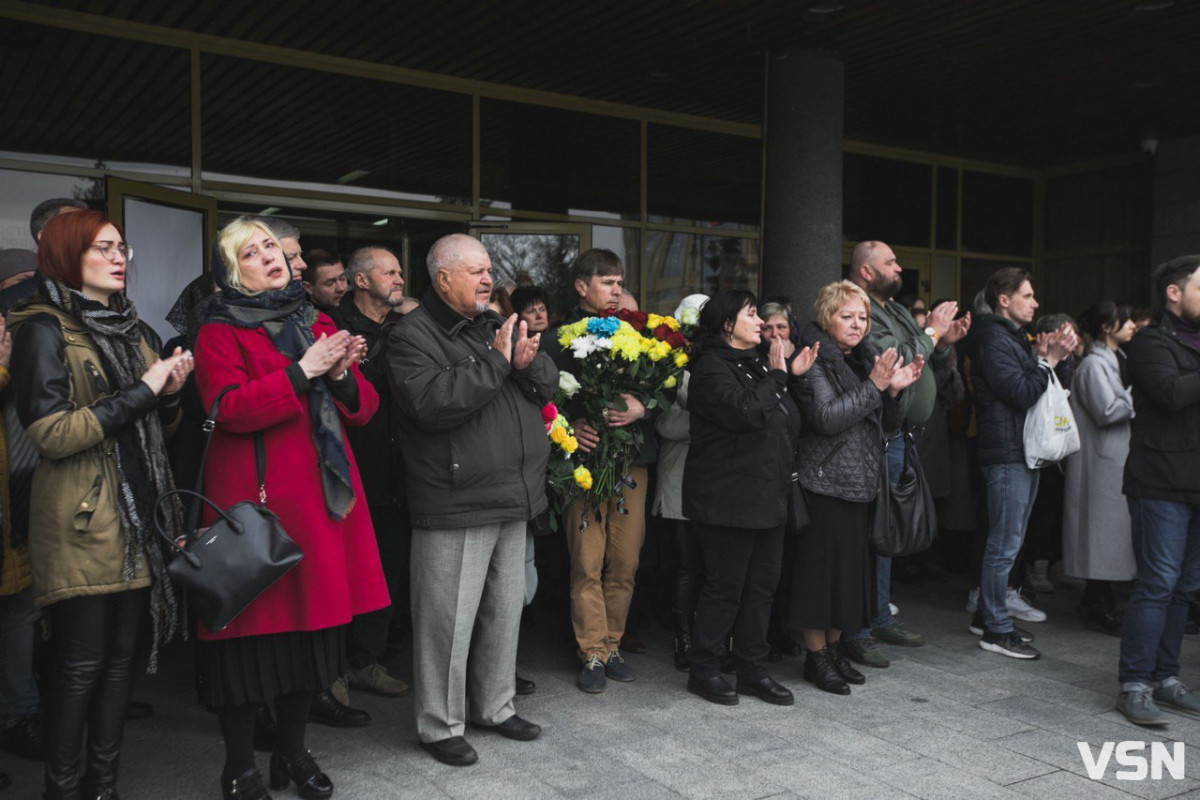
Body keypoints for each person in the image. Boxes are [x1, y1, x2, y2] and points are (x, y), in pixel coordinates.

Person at [193, 215, 388, 798]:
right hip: (256, 510)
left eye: (273, 248)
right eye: (253, 253)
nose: (272, 258)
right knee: (246, 645)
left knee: (310, 639)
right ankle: (239, 768)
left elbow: (363, 409)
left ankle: (293, 755)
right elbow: (227, 409)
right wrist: (301, 371)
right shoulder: (217, 330)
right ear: (233, 270)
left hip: (320, 506)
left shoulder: (315, 320)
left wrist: (344, 373)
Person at [9, 209, 194, 799]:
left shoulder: (135, 331)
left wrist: (170, 397)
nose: (120, 258)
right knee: (81, 665)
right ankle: (62, 789)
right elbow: (53, 435)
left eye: (123, 249)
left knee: (120, 665)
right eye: (104, 248)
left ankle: (103, 786)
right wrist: (145, 390)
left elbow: (158, 433)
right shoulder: (42, 328)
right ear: (68, 253)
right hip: (81, 518)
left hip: (140, 513)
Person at [388, 233, 554, 766]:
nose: (489, 280)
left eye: (489, 270)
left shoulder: (493, 325)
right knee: (447, 622)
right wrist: (499, 362)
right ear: (442, 278)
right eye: (476, 271)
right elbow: (433, 403)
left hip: (514, 493)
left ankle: (495, 706)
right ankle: (439, 725)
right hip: (456, 498)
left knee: (505, 613)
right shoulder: (411, 335)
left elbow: (548, 384)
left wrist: (526, 360)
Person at [682, 290, 816, 706]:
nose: (760, 322)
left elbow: (780, 417)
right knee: (725, 588)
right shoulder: (710, 368)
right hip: (727, 499)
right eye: (751, 314)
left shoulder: (758, 362)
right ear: (727, 325)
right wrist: (779, 377)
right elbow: (745, 413)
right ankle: (704, 670)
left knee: (762, 587)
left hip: (767, 495)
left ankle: (752, 670)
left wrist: (787, 376)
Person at [841, 241, 970, 669]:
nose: (899, 268)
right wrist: (931, 331)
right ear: (865, 271)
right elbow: (895, 356)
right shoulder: (861, 311)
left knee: (887, 533)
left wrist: (945, 342)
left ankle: (878, 616)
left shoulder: (892, 308)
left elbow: (926, 363)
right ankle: (858, 629)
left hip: (903, 434)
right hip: (876, 436)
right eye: (890, 262)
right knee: (870, 534)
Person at [792, 280, 920, 694]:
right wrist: (876, 387)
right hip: (825, 483)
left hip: (861, 483)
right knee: (820, 580)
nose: (857, 324)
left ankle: (832, 652)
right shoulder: (813, 358)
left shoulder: (864, 358)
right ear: (827, 317)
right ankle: (815, 658)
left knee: (846, 579)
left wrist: (895, 392)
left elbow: (888, 423)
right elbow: (826, 418)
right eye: (847, 316)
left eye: (863, 317)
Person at [543, 248, 655, 693]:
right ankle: (591, 652)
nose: (615, 290)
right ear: (581, 286)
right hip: (583, 465)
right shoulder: (555, 340)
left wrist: (643, 406)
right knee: (586, 561)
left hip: (631, 463)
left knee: (624, 560)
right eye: (607, 281)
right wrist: (571, 427)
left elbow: (662, 392)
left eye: (619, 281)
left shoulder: (640, 337)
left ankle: (612, 644)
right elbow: (540, 402)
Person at [967, 267, 1076, 660]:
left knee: (1009, 540)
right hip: (1006, 452)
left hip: (1020, 450)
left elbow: (1042, 387)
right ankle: (996, 629)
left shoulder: (1009, 336)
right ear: (1004, 299)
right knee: (1004, 543)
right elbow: (1021, 392)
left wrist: (1053, 359)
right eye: (1027, 296)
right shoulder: (993, 337)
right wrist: (1048, 360)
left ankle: (986, 616)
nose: (1035, 303)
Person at [1116, 256, 1200, 726]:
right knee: (1157, 584)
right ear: (1174, 292)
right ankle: (1134, 685)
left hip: (1196, 485)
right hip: (1160, 483)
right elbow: (1170, 395)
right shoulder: (1150, 342)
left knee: (1184, 588)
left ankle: (1167, 679)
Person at [327, 247, 412, 699]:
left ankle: (367, 662)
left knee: (388, 573)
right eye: (391, 272)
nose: (400, 279)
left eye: (400, 272)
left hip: (402, 473)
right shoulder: (331, 327)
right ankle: (332, 668)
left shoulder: (409, 327)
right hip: (350, 470)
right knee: (343, 574)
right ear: (362, 281)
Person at [1062, 301, 1136, 636]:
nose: (1132, 325)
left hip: (1111, 457)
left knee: (1108, 531)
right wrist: (1140, 394)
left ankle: (1098, 597)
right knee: (1101, 531)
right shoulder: (1093, 365)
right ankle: (1098, 599)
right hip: (1101, 459)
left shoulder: (1113, 360)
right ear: (1107, 327)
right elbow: (1107, 410)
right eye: (1126, 320)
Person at [652, 293, 708, 670]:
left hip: (716, 480)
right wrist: (715, 420)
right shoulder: (672, 365)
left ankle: (710, 634)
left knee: (713, 563)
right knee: (687, 563)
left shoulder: (721, 360)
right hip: (680, 477)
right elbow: (667, 424)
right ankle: (683, 635)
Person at [300, 249, 348, 313]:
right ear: (308, 287)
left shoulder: (355, 304)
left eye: (342, 279)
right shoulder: (303, 318)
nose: (341, 288)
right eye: (330, 283)